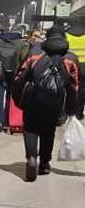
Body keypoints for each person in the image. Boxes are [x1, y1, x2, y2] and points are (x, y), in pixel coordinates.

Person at [12, 25, 80, 181]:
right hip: (55, 101)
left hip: (34, 98)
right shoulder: (71, 58)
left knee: (30, 128)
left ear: (47, 37)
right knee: (48, 131)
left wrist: (18, 99)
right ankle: (44, 163)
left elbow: (19, 78)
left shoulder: (34, 54)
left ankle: (31, 158)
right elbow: (74, 86)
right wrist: (71, 109)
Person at [0, 23, 29, 132]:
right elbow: (23, 60)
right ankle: (8, 122)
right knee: (10, 98)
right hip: (13, 75)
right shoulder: (22, 43)